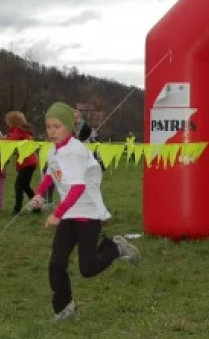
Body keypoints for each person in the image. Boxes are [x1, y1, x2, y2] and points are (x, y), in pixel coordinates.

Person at [30, 102, 140, 321]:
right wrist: (39, 193)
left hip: (87, 214)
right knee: (56, 264)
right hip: (69, 213)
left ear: (69, 128)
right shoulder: (54, 150)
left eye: (57, 126)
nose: (51, 131)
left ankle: (115, 248)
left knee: (88, 269)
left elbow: (78, 187)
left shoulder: (74, 152)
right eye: (48, 126)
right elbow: (52, 173)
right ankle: (65, 308)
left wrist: (56, 214)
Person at [6, 111, 40, 216]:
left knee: (18, 186)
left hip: (27, 162)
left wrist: (1, 140)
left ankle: (17, 209)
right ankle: (37, 207)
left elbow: (11, 142)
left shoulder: (19, 130)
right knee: (25, 186)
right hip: (30, 161)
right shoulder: (24, 130)